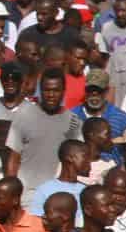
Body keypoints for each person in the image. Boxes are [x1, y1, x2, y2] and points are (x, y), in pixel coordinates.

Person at [5, 68, 84, 208]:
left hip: (59, 197)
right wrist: (12, 193)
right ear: (40, 91)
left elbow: (77, 163)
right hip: (27, 196)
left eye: (56, 90)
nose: (51, 95)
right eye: (46, 90)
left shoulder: (74, 122)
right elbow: (13, 158)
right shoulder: (24, 115)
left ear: (64, 91)